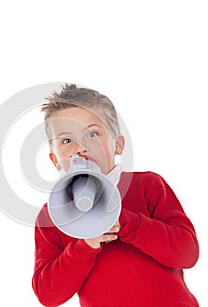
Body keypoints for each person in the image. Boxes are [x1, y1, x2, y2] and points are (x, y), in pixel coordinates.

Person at [32, 83, 199, 306]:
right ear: (54, 159)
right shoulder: (52, 215)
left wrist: (128, 223)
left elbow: (187, 254)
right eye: (67, 140)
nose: (81, 148)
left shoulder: (147, 185)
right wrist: (85, 246)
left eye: (92, 133)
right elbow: (48, 295)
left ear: (118, 145)